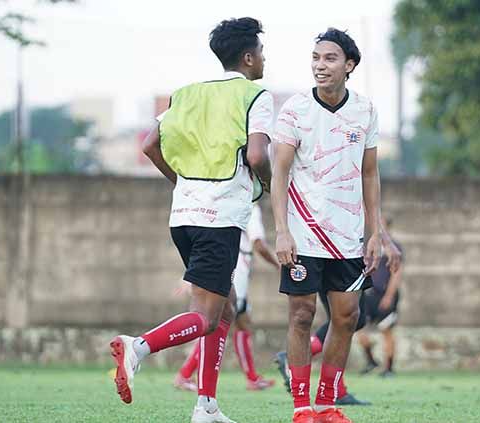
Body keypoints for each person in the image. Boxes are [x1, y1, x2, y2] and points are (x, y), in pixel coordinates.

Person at [108, 17, 273, 423]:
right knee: (206, 317)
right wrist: (268, 185)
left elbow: (149, 145)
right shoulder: (256, 96)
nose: (264, 59)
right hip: (220, 218)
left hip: (183, 215)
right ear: (249, 57)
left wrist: (182, 182)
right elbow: (256, 157)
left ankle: (207, 406)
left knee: (227, 308)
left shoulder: (185, 94)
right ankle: (139, 346)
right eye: (262, 52)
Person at [271, 28, 382, 423]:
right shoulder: (294, 111)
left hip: (348, 235)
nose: (321, 65)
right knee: (301, 315)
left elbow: (370, 174)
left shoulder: (365, 111)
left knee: (348, 316)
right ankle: (302, 408)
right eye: (317, 58)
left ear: (349, 65)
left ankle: (329, 404)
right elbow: (279, 171)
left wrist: (376, 231)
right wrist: (281, 230)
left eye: (330, 58)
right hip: (302, 233)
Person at [273, 227, 402, 405]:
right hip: (333, 249)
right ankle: (321, 385)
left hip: (338, 248)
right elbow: (366, 205)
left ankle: (336, 390)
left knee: (347, 320)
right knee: (345, 319)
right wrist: (386, 242)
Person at [174, 204, 279, 391]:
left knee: (243, 321)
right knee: (215, 322)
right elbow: (258, 244)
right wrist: (279, 265)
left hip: (234, 264)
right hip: (236, 268)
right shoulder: (250, 206)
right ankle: (185, 374)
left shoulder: (230, 202)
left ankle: (252, 377)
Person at [357, 217, 403, 377]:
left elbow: (396, 273)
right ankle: (371, 361)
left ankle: (389, 368)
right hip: (368, 294)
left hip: (384, 295)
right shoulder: (367, 245)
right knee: (359, 329)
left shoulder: (394, 247)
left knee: (386, 330)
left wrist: (389, 296)